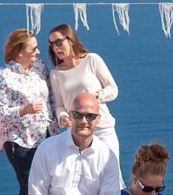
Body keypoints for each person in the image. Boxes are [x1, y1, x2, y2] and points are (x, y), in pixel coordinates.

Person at [0, 29, 53, 195]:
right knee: (28, 186)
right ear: (19, 52)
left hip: (44, 136)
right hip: (18, 140)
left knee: (42, 186)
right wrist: (23, 110)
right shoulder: (2, 77)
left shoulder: (40, 69)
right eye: (32, 48)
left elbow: (50, 99)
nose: (37, 52)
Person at [47, 24, 120, 162]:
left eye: (59, 42)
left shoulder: (92, 60)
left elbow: (113, 89)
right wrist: (62, 116)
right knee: (84, 177)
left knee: (112, 172)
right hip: (77, 133)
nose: (56, 47)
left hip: (102, 127)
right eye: (52, 44)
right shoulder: (56, 74)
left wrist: (96, 96)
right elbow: (59, 106)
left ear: (71, 40)